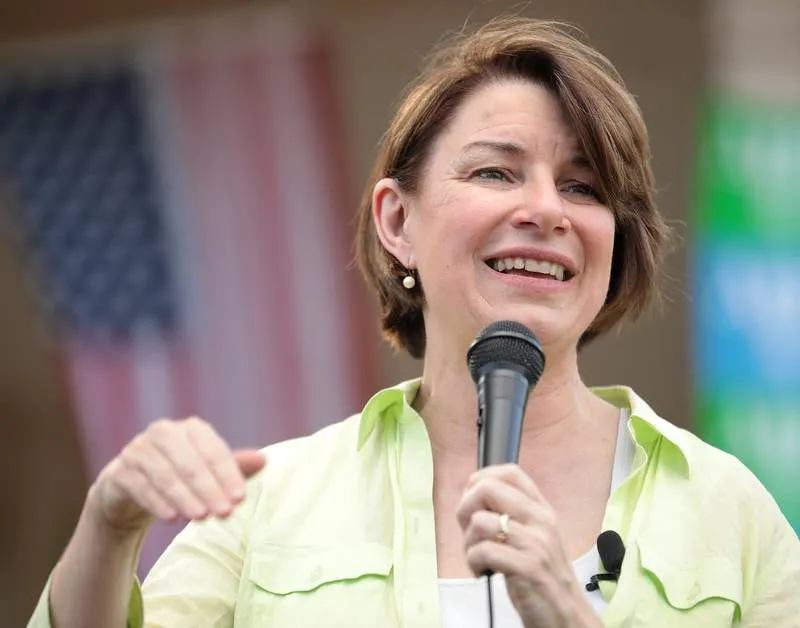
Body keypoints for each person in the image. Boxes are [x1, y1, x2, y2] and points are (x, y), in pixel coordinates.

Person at [29, 15, 800, 628]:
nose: (543, 209)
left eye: (584, 187)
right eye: (495, 171)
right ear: (397, 220)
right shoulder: (274, 500)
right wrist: (109, 525)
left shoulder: (727, 509)